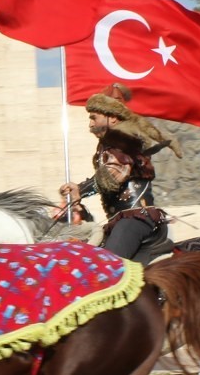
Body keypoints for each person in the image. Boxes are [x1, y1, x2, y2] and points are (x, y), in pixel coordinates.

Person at [58, 83, 175, 263]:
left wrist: (80, 190)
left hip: (135, 217)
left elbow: (113, 174)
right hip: (118, 220)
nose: (90, 124)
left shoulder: (124, 140)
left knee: (108, 267)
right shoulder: (108, 143)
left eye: (93, 118)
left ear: (112, 117)